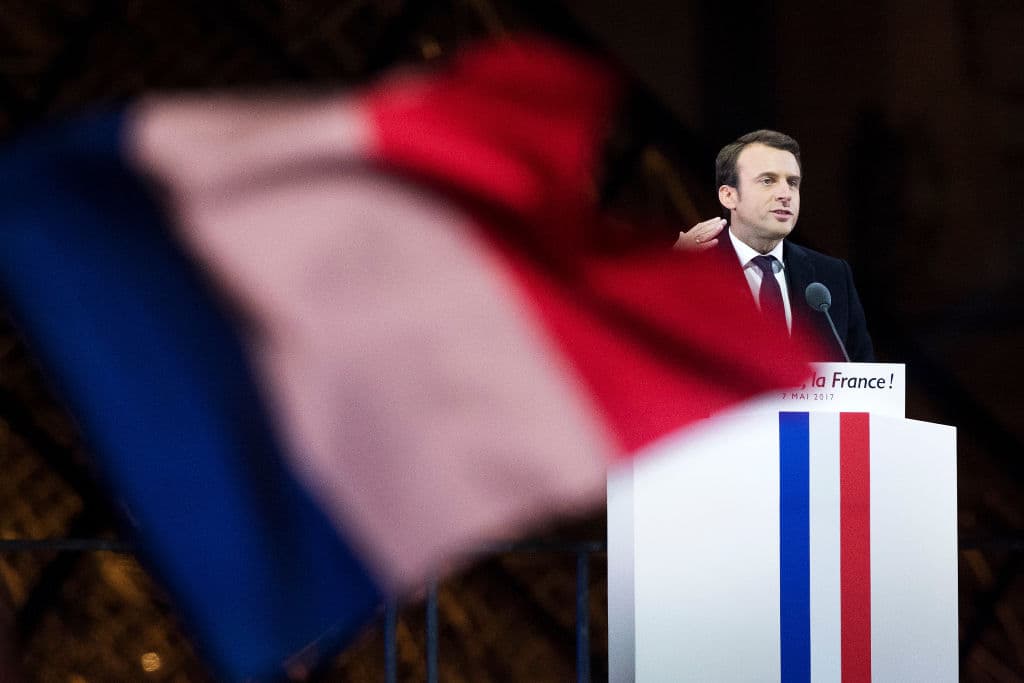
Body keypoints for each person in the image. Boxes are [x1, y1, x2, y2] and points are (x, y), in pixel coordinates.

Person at [675, 129, 875, 362]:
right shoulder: (688, 271)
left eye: (792, 182)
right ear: (729, 196)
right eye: (767, 181)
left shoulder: (832, 276)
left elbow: (863, 373)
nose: (785, 194)